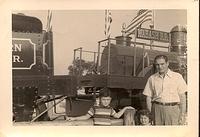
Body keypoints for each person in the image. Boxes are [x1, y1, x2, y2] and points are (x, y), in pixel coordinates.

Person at [143, 55, 187, 125]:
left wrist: (182, 114)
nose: (160, 67)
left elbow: (182, 97)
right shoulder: (152, 78)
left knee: (172, 133)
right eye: (157, 65)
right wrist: (151, 112)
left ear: (167, 63)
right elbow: (148, 97)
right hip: (157, 110)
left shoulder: (177, 77)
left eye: (162, 64)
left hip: (172, 110)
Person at [66, 87, 134, 125]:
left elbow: (117, 116)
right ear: (100, 99)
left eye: (108, 100)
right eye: (104, 99)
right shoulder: (95, 108)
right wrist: (74, 118)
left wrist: (126, 108)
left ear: (110, 100)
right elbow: (86, 117)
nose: (106, 102)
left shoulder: (110, 109)